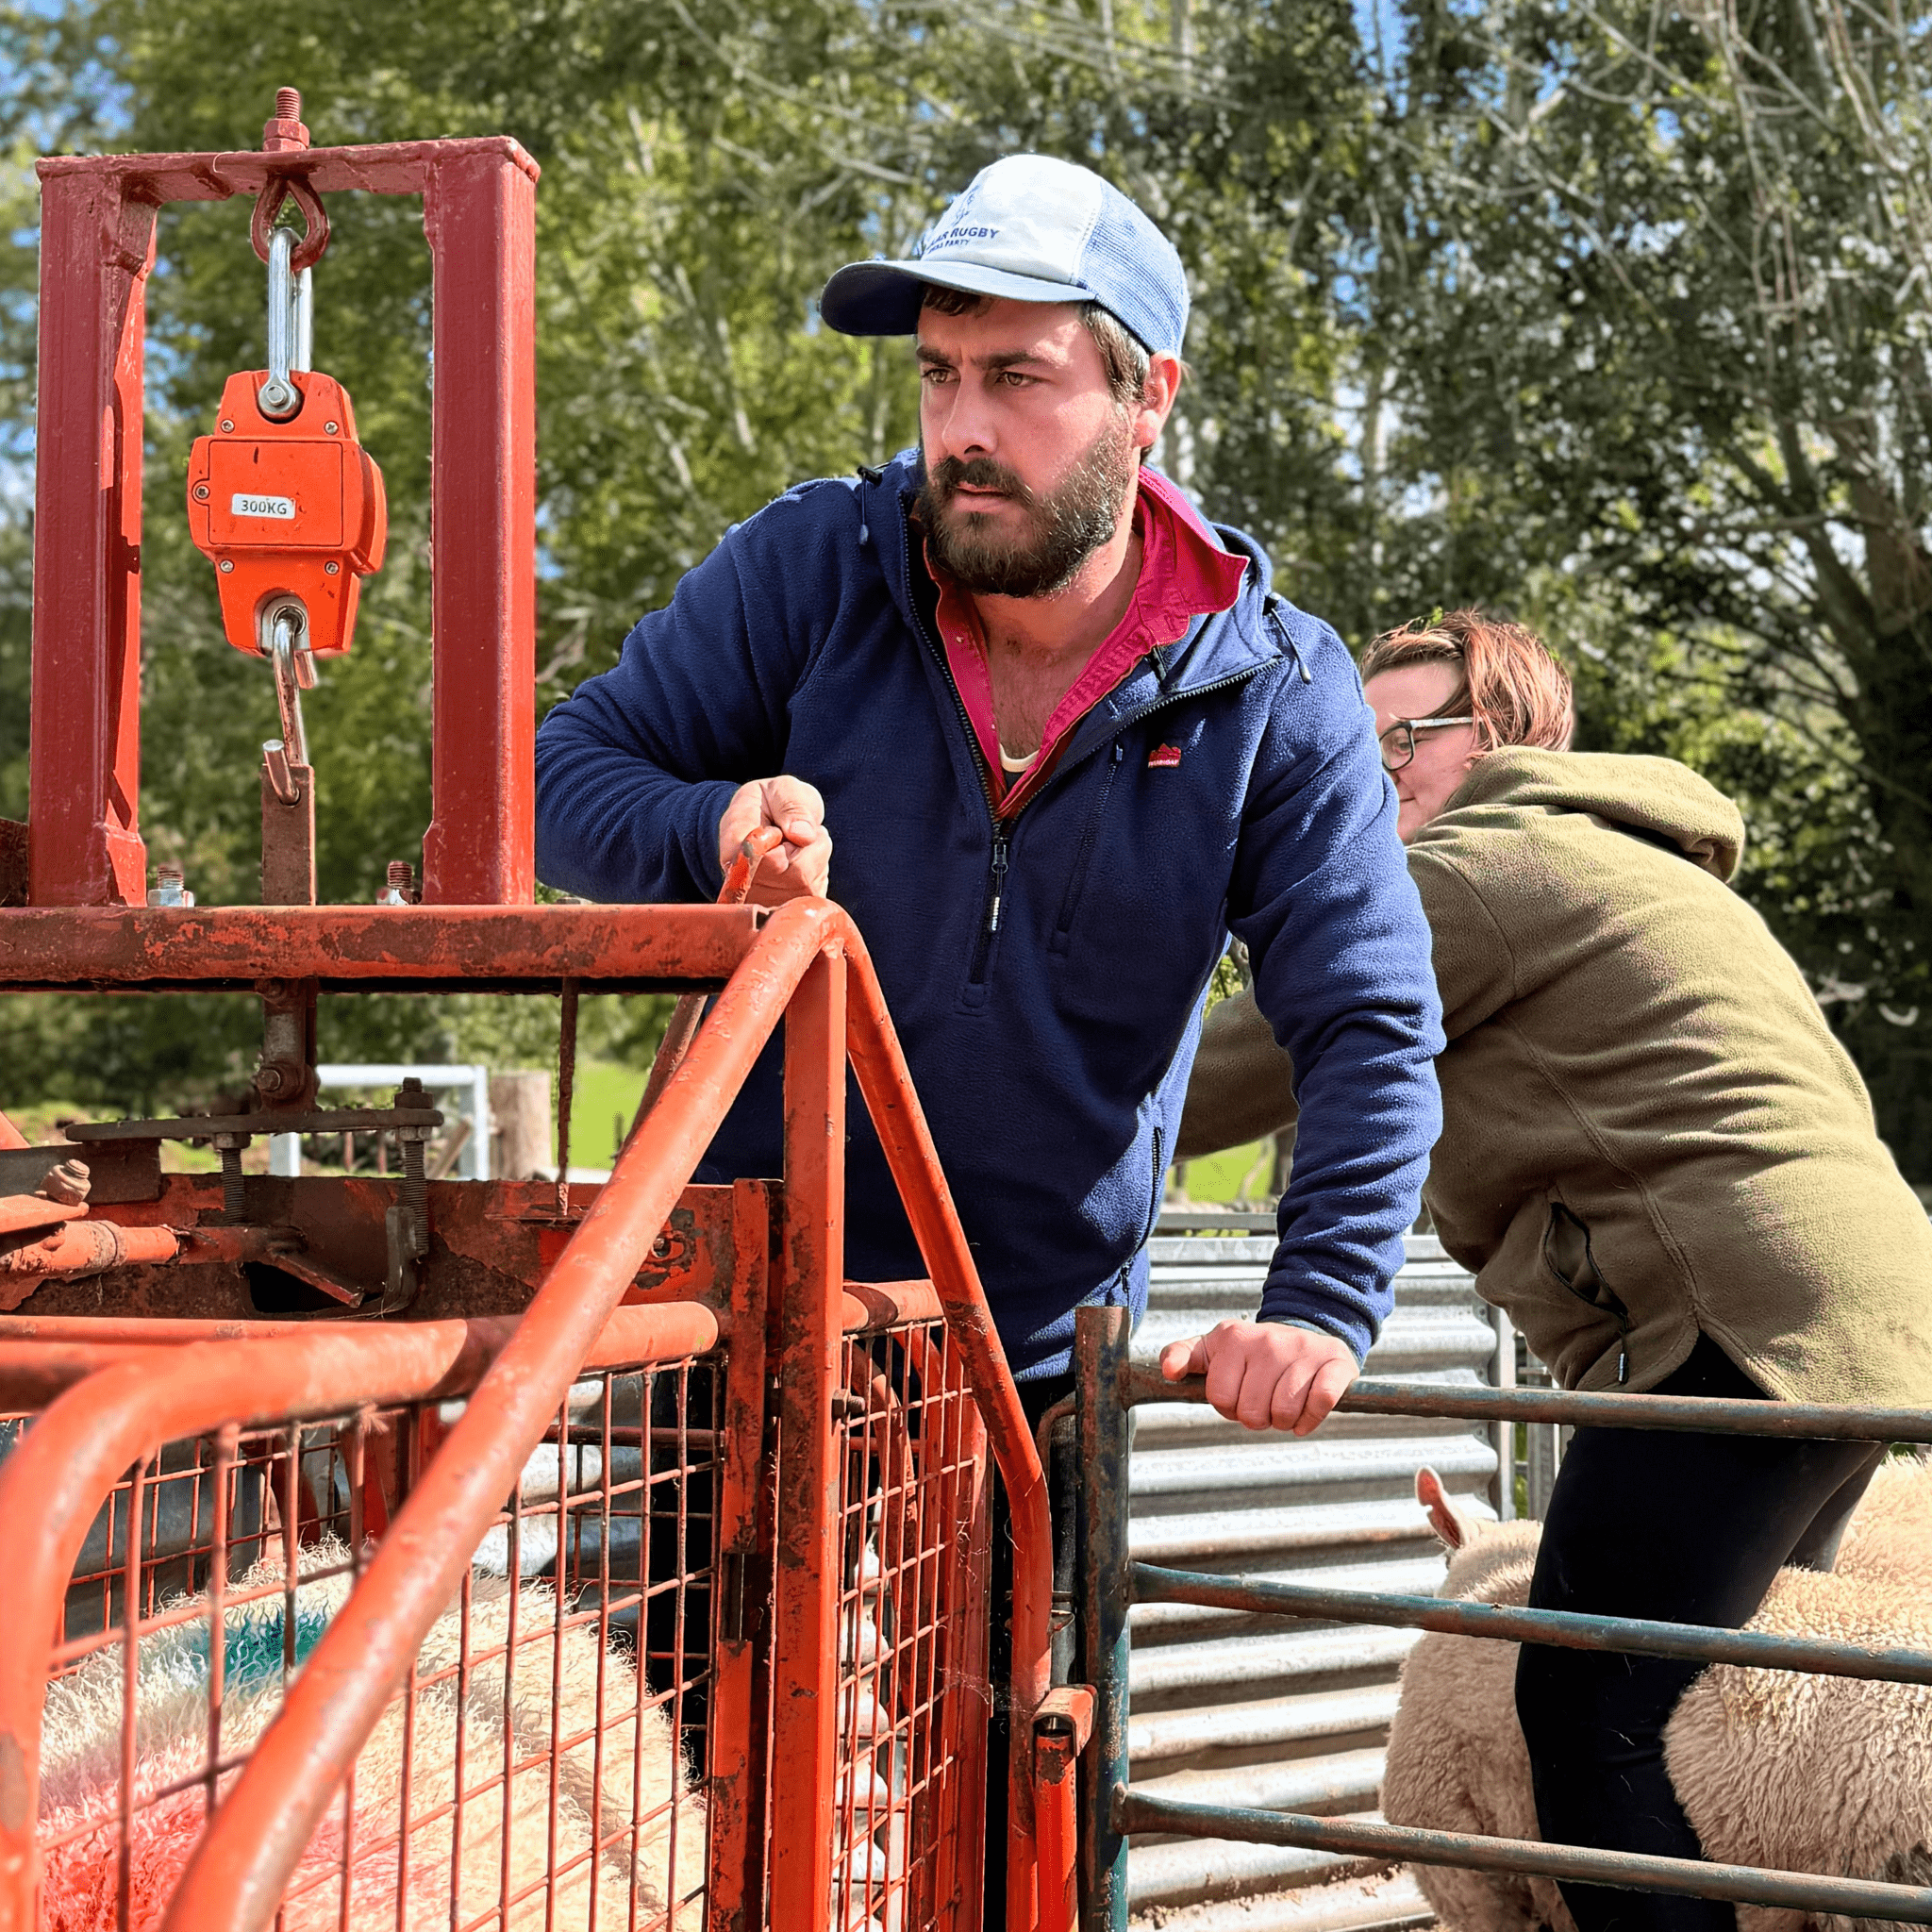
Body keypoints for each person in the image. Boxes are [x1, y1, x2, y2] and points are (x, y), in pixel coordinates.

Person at [534, 151, 1442, 1910]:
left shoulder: (1276, 690)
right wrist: (710, 829)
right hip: (733, 1302)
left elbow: (1368, 1019)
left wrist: (1321, 1301)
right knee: (660, 1794)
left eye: (1019, 378)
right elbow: (575, 774)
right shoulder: (819, 566)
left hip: (1023, 1347)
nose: (963, 424)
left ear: (1146, 397)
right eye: (940, 374)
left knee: (1016, 1806)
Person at [1174, 608, 1932, 1932]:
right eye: (1350, 744)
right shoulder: (1635, 864)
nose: (1367, 769)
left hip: (1728, 1328)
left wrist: (1031, 1110)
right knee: (1700, 1698)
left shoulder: (1465, 873)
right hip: (1848, 1324)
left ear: (1503, 740)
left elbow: (1243, 1063)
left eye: (1401, 737)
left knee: (1585, 1706)